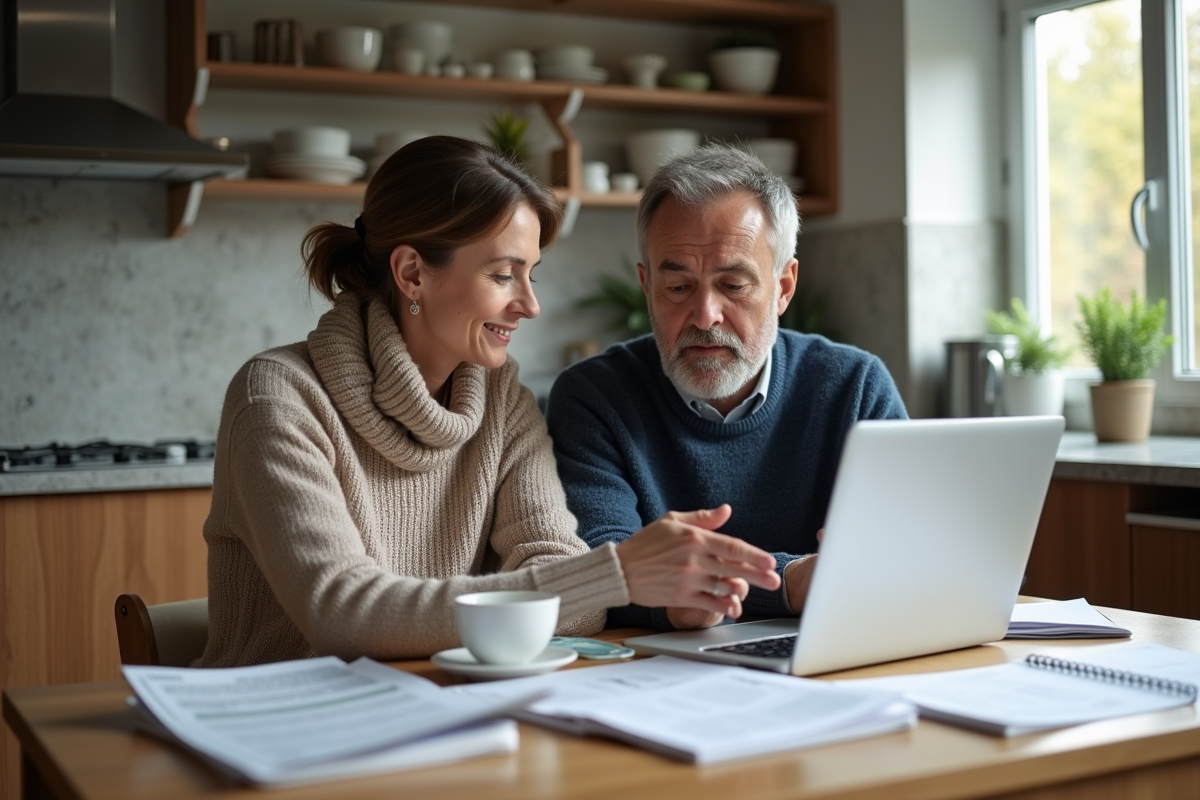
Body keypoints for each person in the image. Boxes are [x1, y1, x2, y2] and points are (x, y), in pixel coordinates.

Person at [197, 136, 781, 668]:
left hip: (437, 714)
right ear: (412, 274)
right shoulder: (279, 396)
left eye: (532, 275)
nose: (530, 305)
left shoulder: (502, 403)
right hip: (280, 732)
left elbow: (577, 612)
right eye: (504, 275)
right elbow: (343, 614)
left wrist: (589, 585)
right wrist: (612, 575)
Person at [546, 144, 908, 633]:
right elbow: (600, 572)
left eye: (734, 285)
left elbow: (899, 557)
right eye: (677, 288)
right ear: (646, 286)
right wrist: (788, 581)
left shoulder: (855, 387)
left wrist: (708, 580)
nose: (704, 315)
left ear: (783, 287)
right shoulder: (593, 398)